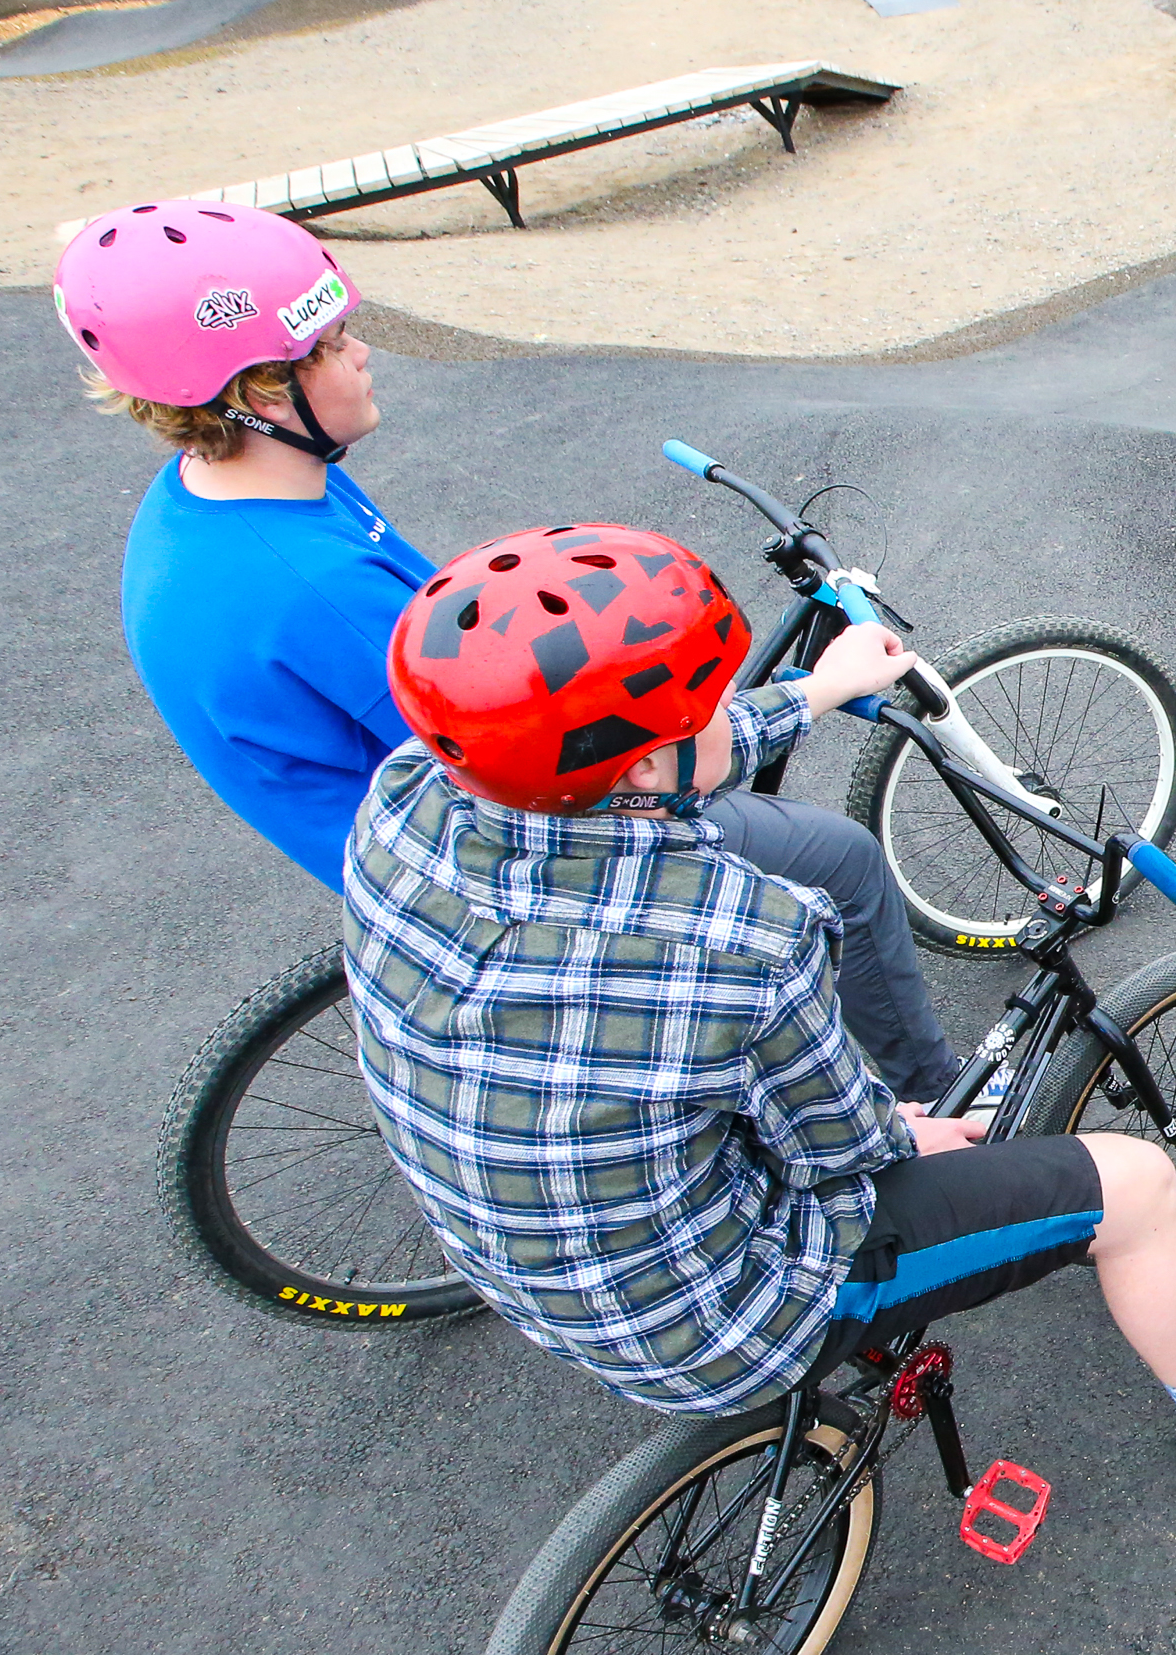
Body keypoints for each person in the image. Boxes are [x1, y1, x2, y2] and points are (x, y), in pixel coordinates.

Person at [339, 521, 1176, 1480]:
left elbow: (669, 769)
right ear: (640, 763)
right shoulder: (744, 938)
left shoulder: (409, 797)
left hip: (504, 1250)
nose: (727, 713)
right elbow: (844, 1151)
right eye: (708, 707)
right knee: (1138, 1185)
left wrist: (816, 691)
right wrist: (912, 1132)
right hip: (715, 1323)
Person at [58, 200, 966, 1105]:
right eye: (331, 343)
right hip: (491, 847)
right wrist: (816, 691)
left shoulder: (216, 500)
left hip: (377, 833)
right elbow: (585, 763)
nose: (362, 350)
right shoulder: (310, 589)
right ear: (260, 395)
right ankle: (929, 1096)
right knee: (838, 859)